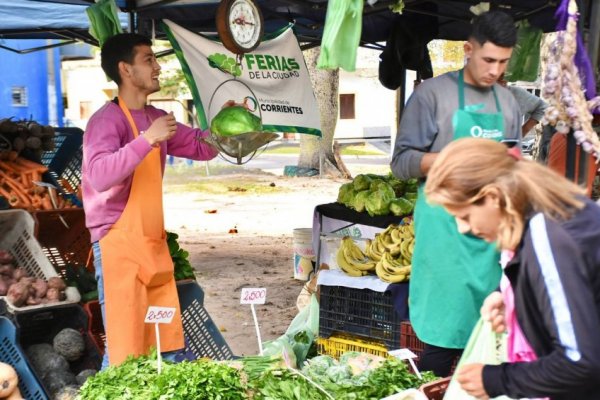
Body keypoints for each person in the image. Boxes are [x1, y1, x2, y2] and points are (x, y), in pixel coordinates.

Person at [390, 11, 522, 377]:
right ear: (468, 49)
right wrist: (458, 158)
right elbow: (401, 162)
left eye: (503, 62)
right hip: (445, 234)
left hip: (491, 240)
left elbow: (513, 161)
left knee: (487, 342)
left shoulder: (509, 102)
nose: (495, 71)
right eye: (488, 60)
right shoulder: (433, 95)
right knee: (439, 345)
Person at [424, 137, 600, 400]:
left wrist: (494, 380)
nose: (464, 229)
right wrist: (508, 294)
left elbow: (579, 361)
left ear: (493, 197)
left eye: (464, 216)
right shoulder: (550, 210)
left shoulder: (549, 236)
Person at [82, 33, 219, 368]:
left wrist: (230, 126)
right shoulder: (105, 121)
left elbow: (205, 146)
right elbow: (99, 176)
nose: (158, 67)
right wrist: (147, 140)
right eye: (149, 59)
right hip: (117, 243)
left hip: (152, 243)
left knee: (163, 341)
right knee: (124, 347)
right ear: (125, 69)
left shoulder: (158, 117)